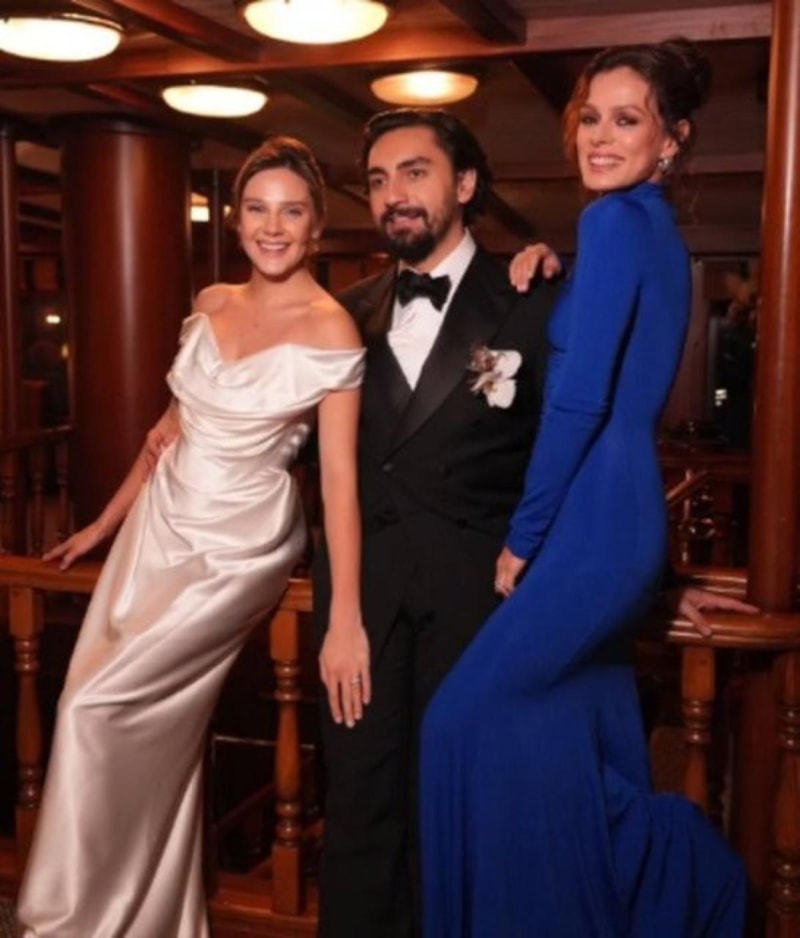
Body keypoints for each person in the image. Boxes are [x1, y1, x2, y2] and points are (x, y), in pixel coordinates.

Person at [312, 106, 752, 938]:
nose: (394, 193)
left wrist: (654, 583)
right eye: (377, 179)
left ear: (465, 184)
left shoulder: (534, 295)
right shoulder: (340, 314)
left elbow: (583, 443)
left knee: (463, 814)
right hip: (361, 607)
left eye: (415, 172)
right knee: (359, 809)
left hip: (480, 599)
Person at [16, 136, 366, 938]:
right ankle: (144, 918)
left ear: (316, 227)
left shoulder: (333, 330)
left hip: (241, 543)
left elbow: (341, 485)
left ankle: (76, 918)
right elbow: (165, 432)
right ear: (236, 221)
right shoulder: (211, 302)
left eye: (292, 212)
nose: (272, 227)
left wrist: (344, 616)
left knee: (96, 709)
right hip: (160, 523)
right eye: (257, 210)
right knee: (96, 708)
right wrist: (102, 523)